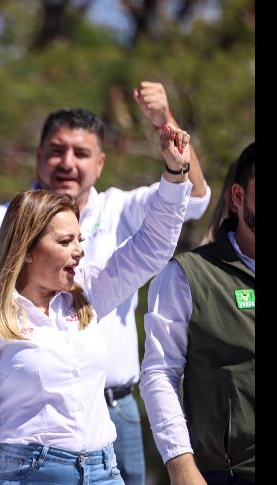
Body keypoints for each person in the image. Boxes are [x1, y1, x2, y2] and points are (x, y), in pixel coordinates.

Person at [0, 81, 210, 484]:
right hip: (33, 470)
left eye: (80, 239)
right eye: (66, 242)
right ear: (27, 248)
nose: (79, 251)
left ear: (100, 162)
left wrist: (174, 171)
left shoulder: (87, 291)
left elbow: (153, 246)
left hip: (105, 466)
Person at [139, 142, 255, 485]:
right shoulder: (187, 276)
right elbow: (159, 374)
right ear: (238, 196)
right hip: (229, 474)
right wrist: (181, 466)